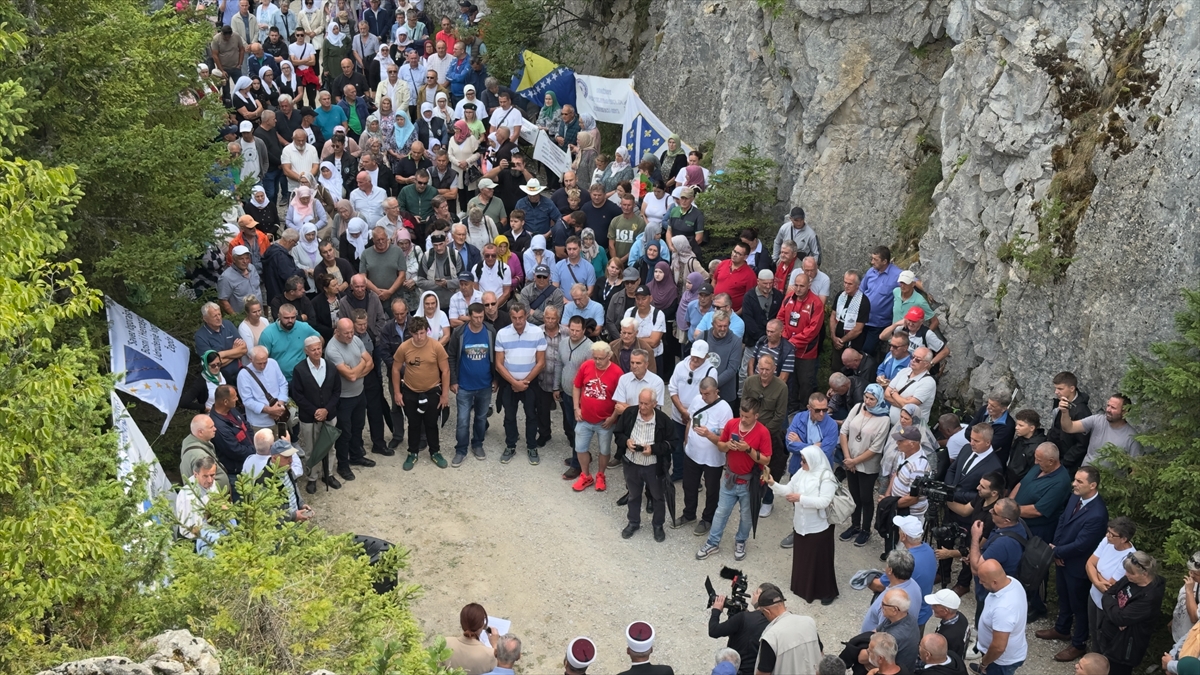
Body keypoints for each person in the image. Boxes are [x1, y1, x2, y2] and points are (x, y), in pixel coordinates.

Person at [1040, 467, 1109, 660]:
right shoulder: (1075, 498)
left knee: (1079, 606)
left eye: (1079, 482)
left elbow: (1082, 544)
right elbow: (1062, 521)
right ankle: (1061, 628)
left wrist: (1056, 551)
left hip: (1078, 566)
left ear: (1093, 485)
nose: (1074, 484)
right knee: (1064, 597)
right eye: (1075, 480)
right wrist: (1057, 547)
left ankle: (1078, 644)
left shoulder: (1097, 514)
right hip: (1063, 559)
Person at [696, 398, 771, 562]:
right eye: (741, 415)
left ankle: (741, 541)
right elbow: (720, 445)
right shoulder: (731, 424)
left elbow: (766, 460)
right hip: (730, 478)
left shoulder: (763, 432)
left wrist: (748, 449)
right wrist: (728, 445)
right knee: (721, 512)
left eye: (747, 416)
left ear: (756, 416)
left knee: (747, 516)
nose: (743, 419)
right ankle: (712, 542)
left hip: (749, 483)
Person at [764, 444, 837, 604]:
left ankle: (827, 592)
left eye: (804, 460)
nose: (801, 463)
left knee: (821, 563)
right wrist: (773, 484)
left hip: (818, 527)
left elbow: (824, 501)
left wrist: (800, 499)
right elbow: (788, 489)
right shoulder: (801, 472)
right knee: (803, 559)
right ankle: (803, 587)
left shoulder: (826, 478)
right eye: (801, 459)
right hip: (801, 524)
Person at [391, 315, 450, 470]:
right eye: (416, 333)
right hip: (411, 391)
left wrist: (444, 394)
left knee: (432, 424)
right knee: (413, 424)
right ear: (410, 332)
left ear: (427, 331)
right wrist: (397, 392)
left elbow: (445, 370)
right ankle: (412, 453)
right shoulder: (404, 347)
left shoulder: (436, 347)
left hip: (432, 391)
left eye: (422, 333)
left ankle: (435, 452)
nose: (419, 337)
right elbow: (396, 369)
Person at [614, 389, 674, 542]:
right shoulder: (629, 414)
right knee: (633, 495)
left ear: (655, 404)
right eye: (640, 402)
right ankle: (633, 522)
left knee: (658, 497)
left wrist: (653, 449)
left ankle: (658, 525)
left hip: (653, 466)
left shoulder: (663, 420)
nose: (642, 407)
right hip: (631, 463)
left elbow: (673, 443)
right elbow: (618, 434)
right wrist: (626, 441)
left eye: (646, 404)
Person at [493, 302, 546, 465]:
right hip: (509, 383)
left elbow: (541, 362)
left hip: (530, 383)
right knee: (509, 416)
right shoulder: (502, 334)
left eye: (521, 317)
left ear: (526, 316)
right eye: (514, 318)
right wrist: (514, 383)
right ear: (510, 317)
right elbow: (499, 364)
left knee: (531, 415)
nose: (518, 321)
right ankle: (510, 445)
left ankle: (531, 446)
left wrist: (525, 381)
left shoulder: (537, 332)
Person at [838, 384, 891, 544]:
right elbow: (844, 431)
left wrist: (855, 461)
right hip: (850, 460)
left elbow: (876, 448)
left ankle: (866, 529)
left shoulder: (884, 419)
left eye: (872, 399)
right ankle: (855, 525)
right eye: (866, 397)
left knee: (866, 497)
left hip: (868, 465)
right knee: (854, 496)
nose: (868, 401)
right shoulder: (857, 407)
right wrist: (848, 459)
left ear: (879, 399)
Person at [291, 335, 342, 491]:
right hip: (308, 418)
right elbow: (297, 395)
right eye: (313, 350)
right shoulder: (299, 369)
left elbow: (336, 390)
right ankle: (312, 477)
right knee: (310, 449)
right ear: (306, 351)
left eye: (319, 348)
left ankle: (329, 474)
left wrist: (326, 409)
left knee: (330, 446)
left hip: (329, 414)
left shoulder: (331, 366)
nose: (317, 352)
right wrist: (315, 411)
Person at [572, 341, 624, 492]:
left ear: (609, 356)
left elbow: (620, 399)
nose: (597, 362)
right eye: (595, 358)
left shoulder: (617, 372)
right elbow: (576, 386)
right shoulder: (586, 366)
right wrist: (576, 408)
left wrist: (613, 417)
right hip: (584, 418)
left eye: (601, 358)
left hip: (605, 421)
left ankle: (601, 475)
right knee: (580, 448)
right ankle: (585, 475)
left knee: (604, 450)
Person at [447, 303, 494, 466]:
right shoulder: (459, 333)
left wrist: (495, 380)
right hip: (464, 386)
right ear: (469, 316)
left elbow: (495, 357)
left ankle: (477, 444)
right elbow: (451, 356)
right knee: (463, 420)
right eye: (476, 317)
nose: (479, 320)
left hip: (485, 385)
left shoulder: (489, 332)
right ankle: (460, 450)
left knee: (481, 418)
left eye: (482, 317)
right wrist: (453, 380)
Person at [967, 498, 1026, 627]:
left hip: (991, 591)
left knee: (984, 623)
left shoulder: (1003, 543)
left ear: (1007, 520)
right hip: (1002, 583)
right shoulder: (1018, 525)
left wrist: (975, 537)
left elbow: (976, 569)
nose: (991, 512)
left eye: (995, 512)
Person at [742, 355, 788, 518]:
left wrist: (763, 433)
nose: (764, 372)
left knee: (769, 469)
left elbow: (780, 415)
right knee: (748, 465)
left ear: (774, 369)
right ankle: (750, 496)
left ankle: (768, 500)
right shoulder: (750, 382)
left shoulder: (781, 387)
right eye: (761, 369)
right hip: (749, 431)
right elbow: (744, 405)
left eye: (767, 369)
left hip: (771, 434)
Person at [1085, 517, 1138, 650]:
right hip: (1093, 596)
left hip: (1108, 605)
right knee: (1093, 630)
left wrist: (1095, 574)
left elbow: (1110, 587)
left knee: (1102, 637)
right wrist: (1098, 580)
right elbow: (1089, 563)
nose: (1107, 536)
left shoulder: (1129, 557)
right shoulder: (1107, 542)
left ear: (1123, 539)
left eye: (1112, 535)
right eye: (1108, 532)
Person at [777, 271, 824, 411]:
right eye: (796, 285)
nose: (798, 289)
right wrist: (786, 337)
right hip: (787, 348)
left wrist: (794, 341)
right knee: (789, 381)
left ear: (809, 285)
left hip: (806, 353)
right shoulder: (788, 298)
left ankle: (804, 410)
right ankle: (790, 409)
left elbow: (813, 329)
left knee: (805, 383)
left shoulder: (816, 303)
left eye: (802, 286)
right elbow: (780, 318)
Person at [754, 585, 824, 675]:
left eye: (763, 614)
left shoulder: (771, 636)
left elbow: (763, 672)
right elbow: (820, 654)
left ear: (767, 612)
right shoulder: (809, 622)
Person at [1058, 393, 1142, 467]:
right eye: (1108, 405)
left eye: (1113, 408)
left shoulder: (1132, 437)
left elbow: (1136, 468)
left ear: (1124, 412)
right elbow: (1069, 428)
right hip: (1085, 478)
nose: (1108, 410)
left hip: (1109, 482)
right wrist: (1065, 412)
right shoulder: (1097, 420)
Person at [1010, 443, 1072, 542]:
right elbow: (1021, 484)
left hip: (1033, 531)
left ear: (1051, 461)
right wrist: (1010, 501)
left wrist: (1009, 511)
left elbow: (1037, 511)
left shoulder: (1061, 482)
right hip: (1015, 520)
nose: (1035, 462)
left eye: (1039, 460)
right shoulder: (1040, 467)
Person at [708, 583, 775, 675]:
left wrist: (716, 610)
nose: (753, 593)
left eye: (757, 592)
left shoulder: (743, 618)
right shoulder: (774, 622)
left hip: (735, 670)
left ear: (763, 597)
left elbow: (713, 631)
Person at [976, 558, 1029, 675]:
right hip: (1002, 655)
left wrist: (984, 663)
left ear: (994, 582)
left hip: (1000, 662)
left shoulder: (1004, 609)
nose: (980, 583)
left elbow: (998, 647)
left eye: (983, 581)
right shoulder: (1012, 582)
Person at [175, 455, 224, 555]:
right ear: (196, 474)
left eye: (212, 475)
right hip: (193, 542)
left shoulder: (210, 482)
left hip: (211, 529)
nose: (210, 480)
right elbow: (192, 530)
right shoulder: (188, 497)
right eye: (205, 476)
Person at [236, 346, 289, 433]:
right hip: (259, 423)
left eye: (265, 362)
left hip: (279, 417)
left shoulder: (273, 363)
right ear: (251, 359)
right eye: (259, 363)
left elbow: (283, 384)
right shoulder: (243, 375)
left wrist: (279, 406)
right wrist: (269, 410)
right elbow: (247, 400)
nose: (262, 366)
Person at [208, 385, 256, 479]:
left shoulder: (232, 410)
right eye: (234, 397)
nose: (237, 399)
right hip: (237, 473)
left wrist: (254, 444)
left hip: (249, 461)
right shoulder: (219, 427)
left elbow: (246, 426)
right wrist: (255, 450)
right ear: (225, 402)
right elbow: (235, 450)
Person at [1048, 371, 1092, 471]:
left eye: (1060, 389)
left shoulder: (1081, 412)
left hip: (1068, 465)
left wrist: (1064, 463)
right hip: (1057, 457)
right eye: (1055, 388)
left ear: (1072, 388)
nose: (1056, 392)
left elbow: (1082, 444)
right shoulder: (1062, 402)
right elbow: (1056, 429)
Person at [884, 346, 937, 425]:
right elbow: (886, 395)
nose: (913, 360)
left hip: (912, 429)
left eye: (917, 360)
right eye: (912, 357)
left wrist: (894, 393)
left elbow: (907, 405)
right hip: (893, 425)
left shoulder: (928, 382)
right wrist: (904, 402)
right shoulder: (904, 371)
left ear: (926, 364)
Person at [701, 311, 743, 406]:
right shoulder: (703, 337)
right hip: (703, 394)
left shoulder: (736, 341)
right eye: (719, 326)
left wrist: (711, 386)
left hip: (726, 395)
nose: (723, 329)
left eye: (725, 326)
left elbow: (732, 369)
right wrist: (706, 388)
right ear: (712, 324)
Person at [444, 603, 498, 675]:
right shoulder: (490, 655)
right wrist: (495, 646)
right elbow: (501, 669)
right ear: (482, 625)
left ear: (461, 623)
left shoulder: (446, 642)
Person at [180, 414, 229, 492]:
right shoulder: (200, 457)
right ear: (200, 432)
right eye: (211, 427)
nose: (215, 429)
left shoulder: (189, 440)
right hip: (213, 499)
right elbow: (205, 484)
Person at [1006, 409, 1048, 490]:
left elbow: (1034, 471)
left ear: (1031, 428)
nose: (1016, 428)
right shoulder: (1020, 439)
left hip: (1020, 485)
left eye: (1021, 425)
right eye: (1016, 424)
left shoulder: (1037, 448)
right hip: (1010, 480)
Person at [924, 589, 970, 661]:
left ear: (945, 610)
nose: (932, 607)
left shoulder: (949, 636)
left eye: (935, 606)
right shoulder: (960, 617)